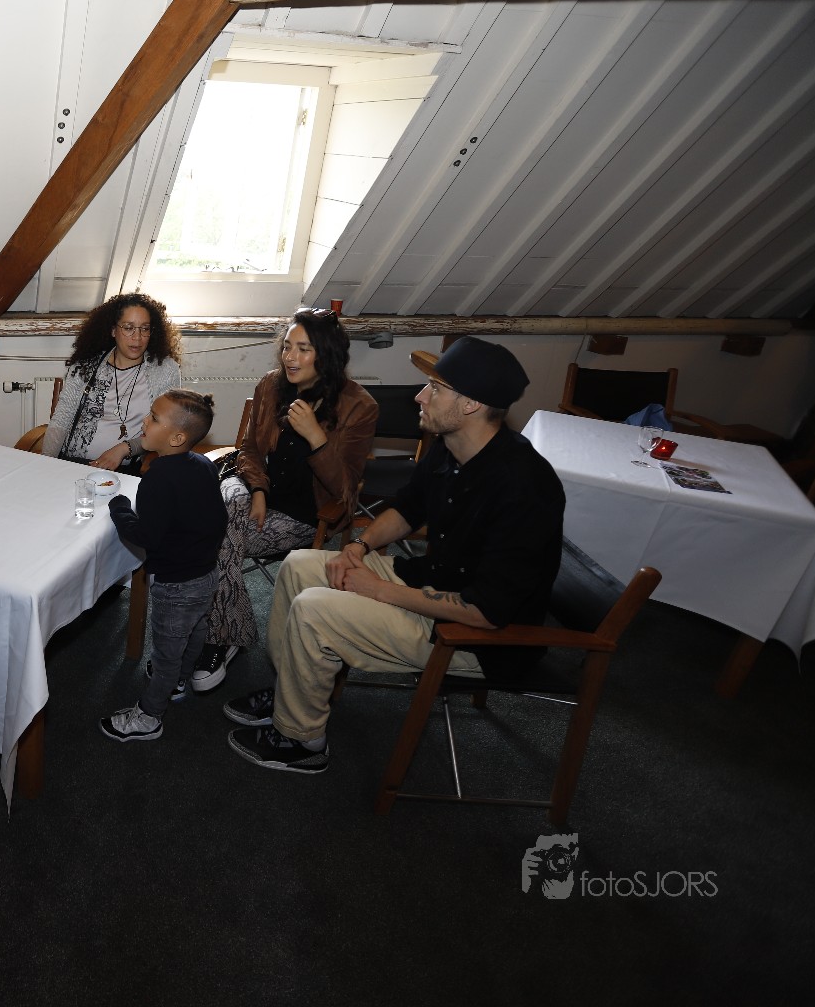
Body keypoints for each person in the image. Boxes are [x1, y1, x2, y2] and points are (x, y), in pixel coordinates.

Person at [224, 337, 565, 774]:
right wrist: (358, 546)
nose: (420, 396)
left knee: (314, 609)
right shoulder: (451, 445)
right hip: (434, 580)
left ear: (471, 405)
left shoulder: (524, 486)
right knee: (299, 566)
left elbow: (486, 612)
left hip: (475, 639)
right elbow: (407, 509)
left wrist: (377, 588)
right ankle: (290, 690)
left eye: (435, 388)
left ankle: (301, 740)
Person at [189, 309, 378, 694]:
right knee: (222, 510)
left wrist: (316, 437)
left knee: (213, 537)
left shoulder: (359, 406)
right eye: (287, 347)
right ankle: (227, 629)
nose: (290, 357)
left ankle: (221, 636)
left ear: (327, 355)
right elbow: (250, 449)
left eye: (303, 349)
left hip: (305, 513)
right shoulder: (271, 385)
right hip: (254, 492)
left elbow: (345, 491)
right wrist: (259, 490)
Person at [100, 390, 228, 741]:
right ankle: (180, 680)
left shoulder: (158, 477)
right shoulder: (203, 464)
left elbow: (146, 536)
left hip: (176, 585)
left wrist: (119, 507)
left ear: (176, 437)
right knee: (195, 631)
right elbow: (217, 518)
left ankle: (149, 716)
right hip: (207, 573)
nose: (145, 420)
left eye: (154, 418)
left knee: (166, 655)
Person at [41, 293, 182, 475]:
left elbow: (166, 428)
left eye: (145, 329)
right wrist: (46, 465)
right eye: (128, 328)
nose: (137, 337)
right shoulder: (85, 367)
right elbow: (61, 420)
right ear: (113, 330)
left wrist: (125, 448)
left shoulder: (165, 370)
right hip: (72, 464)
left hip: (123, 470)